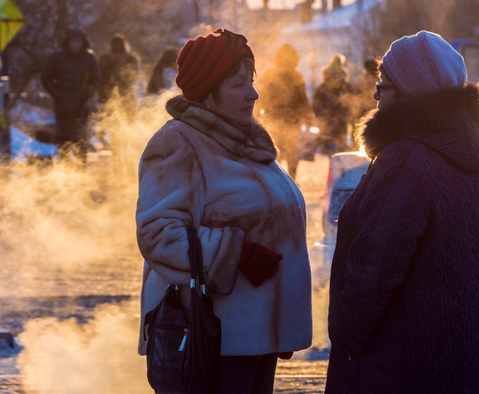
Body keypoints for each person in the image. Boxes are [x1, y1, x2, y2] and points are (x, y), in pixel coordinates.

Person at [136, 29, 312, 393]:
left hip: (256, 336)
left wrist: (278, 316)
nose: (253, 92)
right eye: (238, 84)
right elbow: (157, 233)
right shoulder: (179, 143)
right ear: (208, 91)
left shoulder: (245, 143)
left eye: (251, 81)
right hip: (214, 339)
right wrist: (237, 253)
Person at [326, 31, 479, 393]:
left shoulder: (406, 157)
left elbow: (375, 266)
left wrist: (347, 336)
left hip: (394, 359)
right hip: (457, 353)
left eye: (383, 86)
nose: (375, 97)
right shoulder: (467, 152)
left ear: (409, 90)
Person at [41, 28, 100, 156]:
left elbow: (96, 80)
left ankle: (81, 171)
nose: (76, 45)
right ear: (68, 42)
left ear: (83, 42)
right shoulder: (57, 57)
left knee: (81, 140)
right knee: (63, 141)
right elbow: (46, 78)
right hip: (62, 105)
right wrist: (58, 94)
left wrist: (86, 94)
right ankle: (66, 170)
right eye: (73, 41)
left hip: (81, 105)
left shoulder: (90, 58)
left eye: (78, 41)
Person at [259, 44, 312, 179]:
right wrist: (308, 118)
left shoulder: (269, 74)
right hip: (292, 120)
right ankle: (292, 179)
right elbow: (303, 100)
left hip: (273, 118)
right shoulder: (297, 76)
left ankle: (276, 179)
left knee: (275, 150)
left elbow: (261, 95)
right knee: (292, 151)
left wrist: (258, 113)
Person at [312, 54, 352, 154]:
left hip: (327, 117)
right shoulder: (344, 83)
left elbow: (316, 102)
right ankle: (339, 165)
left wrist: (318, 114)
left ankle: (330, 163)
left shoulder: (324, 85)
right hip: (341, 118)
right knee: (340, 143)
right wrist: (349, 114)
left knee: (327, 143)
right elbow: (351, 100)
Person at [98, 33, 139, 118]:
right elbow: (100, 77)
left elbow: (134, 77)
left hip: (122, 91)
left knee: (124, 118)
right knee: (116, 118)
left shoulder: (129, 58)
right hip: (112, 92)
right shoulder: (106, 59)